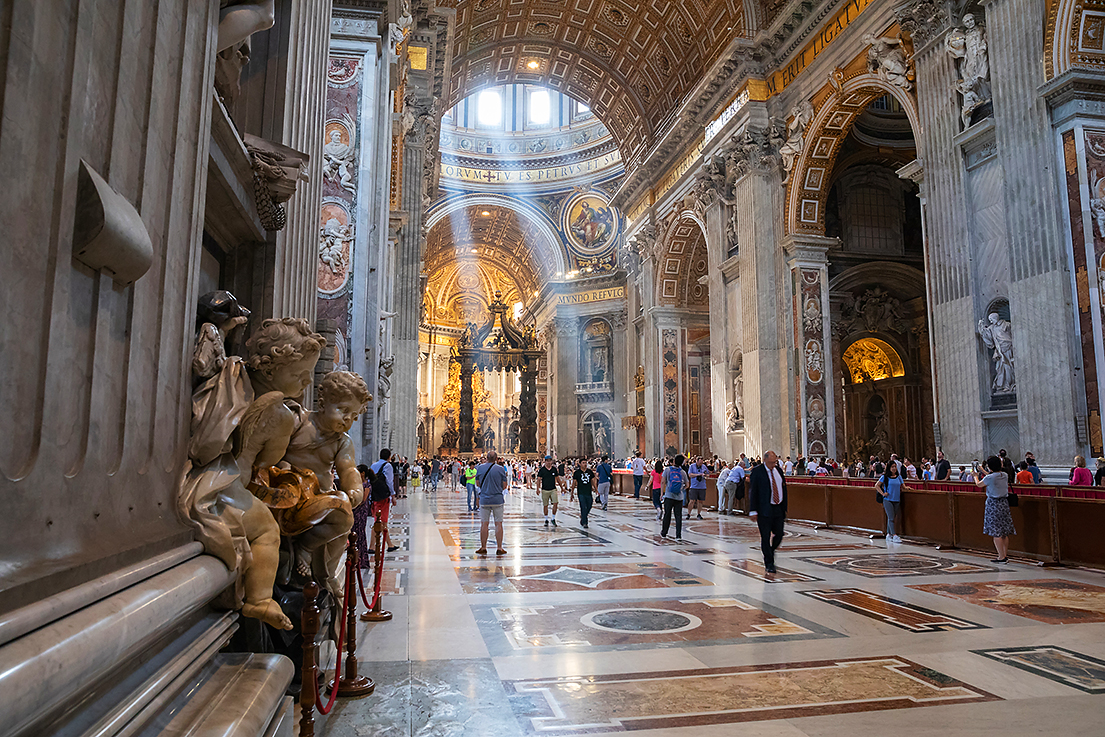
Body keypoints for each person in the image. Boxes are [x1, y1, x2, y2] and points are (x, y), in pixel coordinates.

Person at [748, 450, 788, 573]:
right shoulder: (757, 472)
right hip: (764, 508)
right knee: (765, 537)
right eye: (771, 462)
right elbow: (753, 492)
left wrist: (785, 506)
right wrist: (753, 510)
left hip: (778, 508)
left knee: (780, 534)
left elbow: (783, 487)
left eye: (774, 462)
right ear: (765, 460)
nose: (773, 464)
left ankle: (770, 552)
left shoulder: (779, 471)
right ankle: (769, 563)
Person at [973, 456, 1015, 563]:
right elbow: (992, 477)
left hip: (993, 504)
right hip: (1004, 503)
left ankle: (1001, 556)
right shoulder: (1004, 475)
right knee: (1004, 531)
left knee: (996, 531)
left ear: (990, 467)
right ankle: (1004, 555)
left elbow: (979, 485)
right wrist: (983, 471)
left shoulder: (990, 478)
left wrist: (975, 476)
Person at [474, 451, 509, 556]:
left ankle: (483, 547)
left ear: (486, 458)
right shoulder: (500, 469)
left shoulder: (480, 468)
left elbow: (477, 483)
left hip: (484, 499)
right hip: (497, 499)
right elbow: (504, 485)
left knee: (484, 524)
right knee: (498, 524)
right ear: (496, 458)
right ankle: (499, 547)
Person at [369, 448, 400, 553]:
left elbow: (370, 481)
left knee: (377, 521)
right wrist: (393, 495)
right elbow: (389, 482)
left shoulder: (373, 465)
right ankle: (384, 545)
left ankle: (375, 546)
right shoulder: (388, 466)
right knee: (383, 521)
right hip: (384, 497)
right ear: (389, 457)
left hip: (375, 496)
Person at [875, 461, 907, 543]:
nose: (894, 468)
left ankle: (889, 534)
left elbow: (903, 486)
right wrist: (883, 493)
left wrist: (908, 488)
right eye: (892, 467)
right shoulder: (885, 477)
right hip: (888, 499)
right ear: (889, 468)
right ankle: (894, 535)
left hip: (897, 499)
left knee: (892, 517)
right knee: (891, 517)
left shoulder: (899, 477)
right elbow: (877, 485)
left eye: (895, 467)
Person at [660, 454, 687, 539]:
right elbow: (687, 484)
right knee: (678, 516)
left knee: (667, 514)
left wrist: (662, 494)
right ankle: (678, 535)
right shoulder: (682, 472)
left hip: (669, 495)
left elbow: (663, 482)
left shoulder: (667, 470)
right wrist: (681, 489)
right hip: (679, 497)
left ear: (674, 461)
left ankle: (664, 532)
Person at [537, 455, 563, 526]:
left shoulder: (554, 469)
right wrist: (538, 488)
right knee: (545, 505)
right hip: (545, 490)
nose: (549, 462)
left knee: (555, 503)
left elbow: (557, 479)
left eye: (550, 461)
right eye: (547, 461)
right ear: (545, 461)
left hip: (553, 489)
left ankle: (553, 518)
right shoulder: (542, 470)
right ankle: (546, 519)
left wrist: (562, 488)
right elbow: (539, 479)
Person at [573, 458, 596, 528]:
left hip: (588, 492)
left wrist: (596, 489)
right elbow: (574, 483)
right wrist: (572, 494)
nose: (585, 464)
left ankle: (583, 517)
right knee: (583, 506)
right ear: (579, 464)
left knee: (589, 505)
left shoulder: (590, 472)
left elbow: (593, 480)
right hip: (581, 492)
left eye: (586, 463)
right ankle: (585, 522)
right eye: (583, 463)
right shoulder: (577, 473)